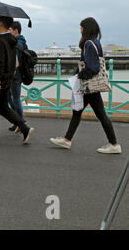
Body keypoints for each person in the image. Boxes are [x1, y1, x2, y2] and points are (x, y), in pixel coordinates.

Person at [49, 17, 121, 154]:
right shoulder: (96, 42)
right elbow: (88, 64)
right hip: (91, 86)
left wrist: (79, 76)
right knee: (84, 113)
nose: (80, 30)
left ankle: (114, 144)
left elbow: (92, 67)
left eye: (81, 27)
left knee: (88, 113)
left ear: (86, 28)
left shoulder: (88, 44)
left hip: (89, 86)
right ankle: (67, 140)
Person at [0, 16, 35, 145]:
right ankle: (24, 128)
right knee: (3, 108)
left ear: (1, 23)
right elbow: (12, 61)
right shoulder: (12, 40)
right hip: (8, 78)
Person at [8, 21, 27, 132]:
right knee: (10, 98)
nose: (8, 31)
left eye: (10, 29)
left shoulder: (20, 41)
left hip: (16, 74)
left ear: (16, 30)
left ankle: (21, 122)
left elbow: (16, 56)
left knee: (15, 98)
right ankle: (17, 121)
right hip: (13, 74)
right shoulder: (17, 41)